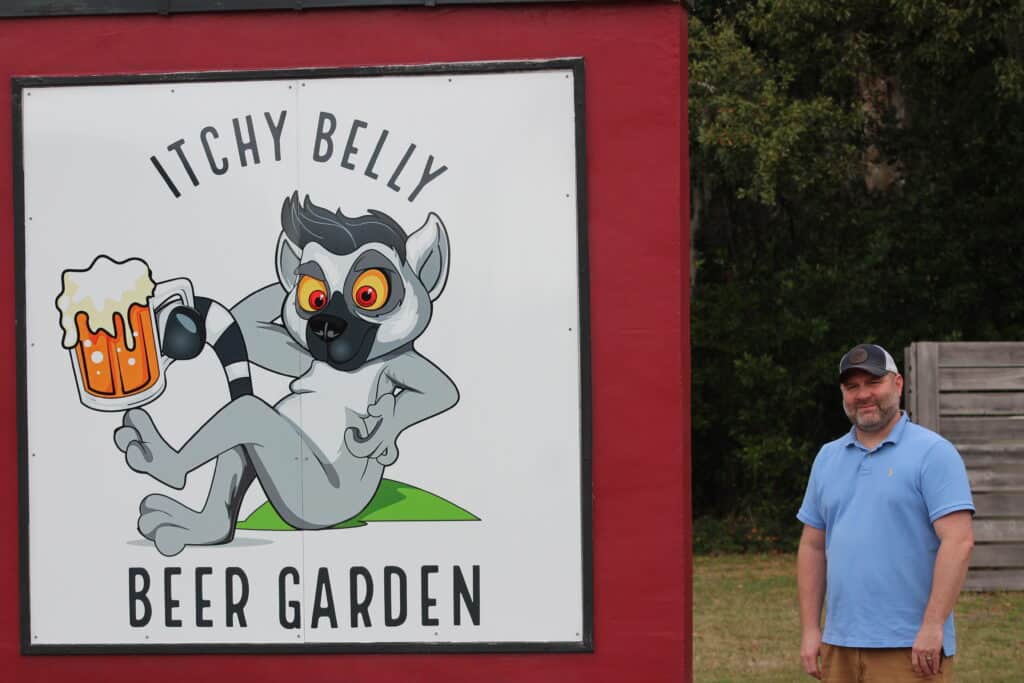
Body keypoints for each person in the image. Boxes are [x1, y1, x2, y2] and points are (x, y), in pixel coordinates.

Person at [797, 343, 975, 681]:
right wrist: (810, 629)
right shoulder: (827, 458)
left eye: (873, 382)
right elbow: (812, 546)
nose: (863, 394)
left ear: (897, 385)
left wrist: (933, 626)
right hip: (839, 646)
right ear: (843, 394)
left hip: (910, 647)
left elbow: (959, 541)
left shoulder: (934, 453)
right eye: (852, 386)